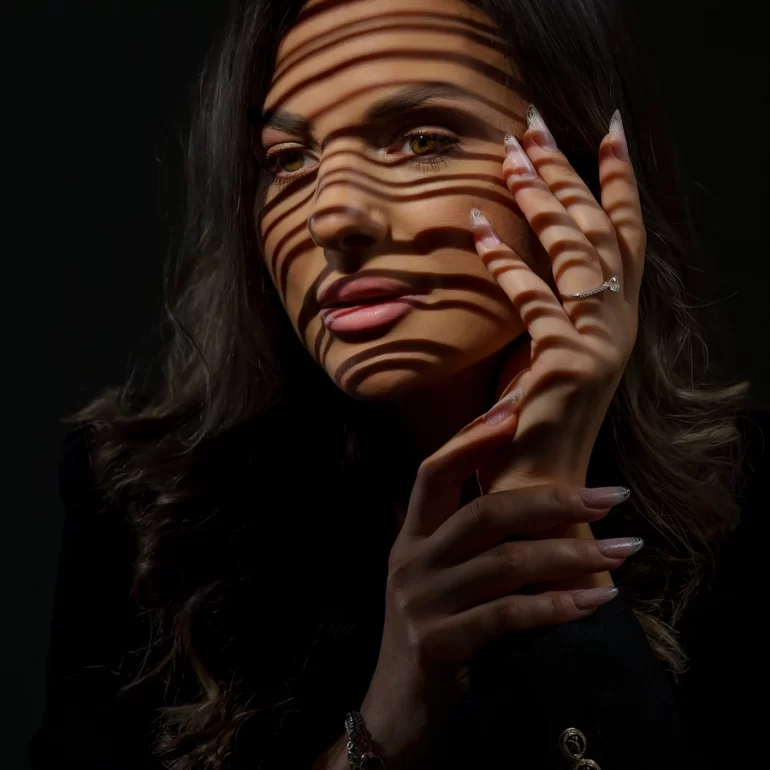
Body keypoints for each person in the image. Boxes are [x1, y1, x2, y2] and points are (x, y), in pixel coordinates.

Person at [30, 0, 769, 768]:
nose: (332, 217)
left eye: (423, 141)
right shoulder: (141, 510)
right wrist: (385, 724)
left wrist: (536, 500)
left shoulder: (745, 504)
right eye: (288, 161)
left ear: (585, 174)